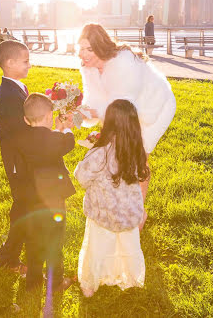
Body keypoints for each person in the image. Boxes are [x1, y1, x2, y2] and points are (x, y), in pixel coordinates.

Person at [78, 23, 176, 229]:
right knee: (121, 154)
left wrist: (99, 124)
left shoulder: (123, 62)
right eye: (80, 47)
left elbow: (122, 109)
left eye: (88, 48)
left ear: (100, 45)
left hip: (152, 108)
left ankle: (138, 214)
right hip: (125, 111)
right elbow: (95, 103)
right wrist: (77, 115)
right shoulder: (89, 68)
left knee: (139, 156)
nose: (83, 54)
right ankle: (129, 205)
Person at [75, 99, 149, 297]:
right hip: (128, 214)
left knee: (98, 248)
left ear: (108, 124)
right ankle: (128, 276)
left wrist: (88, 154)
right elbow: (143, 178)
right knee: (127, 246)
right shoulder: (137, 151)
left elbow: (81, 178)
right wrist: (141, 209)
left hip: (103, 213)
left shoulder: (100, 153)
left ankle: (90, 285)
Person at [13, 93, 76, 292]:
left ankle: (32, 281)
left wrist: (57, 130)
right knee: (54, 242)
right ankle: (56, 282)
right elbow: (69, 142)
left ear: (25, 119)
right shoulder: (56, 139)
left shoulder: (21, 139)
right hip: (53, 201)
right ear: (50, 116)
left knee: (33, 240)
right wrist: (65, 128)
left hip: (30, 200)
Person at [0, 40, 31, 275]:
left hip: (25, 159)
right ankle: (9, 257)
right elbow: (21, 131)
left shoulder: (17, 87)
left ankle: (24, 247)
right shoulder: (9, 94)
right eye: (25, 61)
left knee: (27, 205)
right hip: (20, 162)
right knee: (23, 208)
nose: (30, 65)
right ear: (10, 63)